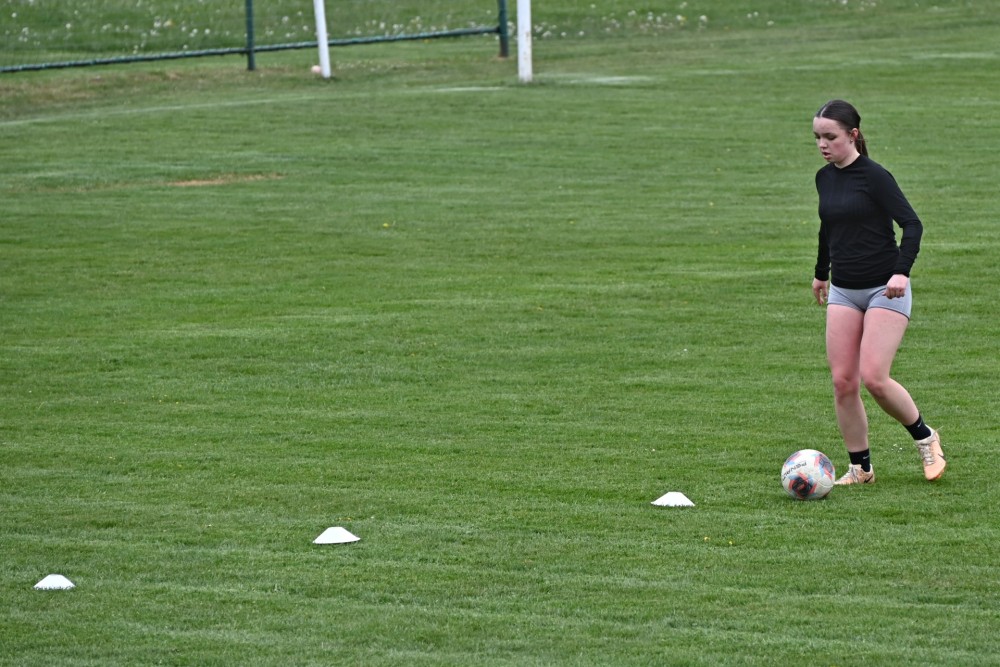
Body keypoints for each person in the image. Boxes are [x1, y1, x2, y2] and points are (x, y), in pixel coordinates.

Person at [810, 99, 946, 485]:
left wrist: (901, 272)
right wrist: (821, 274)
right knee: (843, 382)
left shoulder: (875, 176)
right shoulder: (824, 178)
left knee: (874, 377)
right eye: (817, 137)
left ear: (853, 135)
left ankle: (925, 437)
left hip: (885, 289)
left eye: (830, 137)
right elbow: (828, 227)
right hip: (844, 289)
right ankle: (860, 468)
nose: (822, 144)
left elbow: (912, 224)